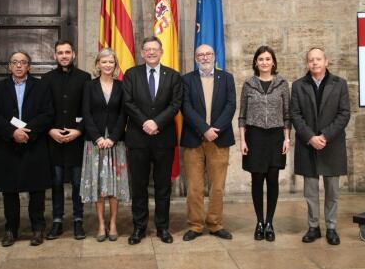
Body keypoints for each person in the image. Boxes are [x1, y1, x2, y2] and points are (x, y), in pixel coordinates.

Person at [0, 51, 53, 247]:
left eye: (22, 62)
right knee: (9, 191)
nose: (18, 66)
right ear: (9, 66)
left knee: (36, 190)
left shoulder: (41, 87)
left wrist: (27, 132)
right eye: (15, 62)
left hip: (34, 144)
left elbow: (48, 113)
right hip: (8, 145)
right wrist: (12, 132)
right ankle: (10, 230)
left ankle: (38, 229)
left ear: (28, 66)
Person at [122, 36, 182, 245]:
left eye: (155, 49)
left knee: (163, 186)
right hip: (138, 139)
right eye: (147, 49)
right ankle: (139, 227)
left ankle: (162, 227)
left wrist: (156, 123)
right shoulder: (131, 75)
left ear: (161, 51)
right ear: (141, 52)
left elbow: (175, 104)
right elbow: (127, 102)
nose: (151, 52)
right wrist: (145, 123)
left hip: (163, 139)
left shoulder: (173, 76)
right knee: (138, 186)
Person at [290, 47, 350, 246]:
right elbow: (295, 115)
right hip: (308, 145)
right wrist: (310, 137)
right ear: (307, 63)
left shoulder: (340, 84)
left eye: (318, 59)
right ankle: (313, 227)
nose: (314, 62)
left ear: (326, 61)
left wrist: (325, 136)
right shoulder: (298, 85)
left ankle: (331, 228)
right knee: (310, 191)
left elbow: (344, 114)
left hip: (331, 144)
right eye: (311, 60)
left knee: (332, 191)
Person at [180, 44, 236, 241]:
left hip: (219, 140)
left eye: (208, 54)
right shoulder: (187, 79)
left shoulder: (227, 78)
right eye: (200, 55)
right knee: (194, 187)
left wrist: (215, 130)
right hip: (194, 139)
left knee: (217, 186)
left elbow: (231, 106)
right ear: (196, 58)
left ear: (214, 56)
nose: (204, 57)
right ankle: (195, 225)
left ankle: (215, 224)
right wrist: (204, 129)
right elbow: (185, 107)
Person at [238, 45, 291, 242]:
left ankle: (270, 222)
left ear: (273, 62)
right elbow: (242, 115)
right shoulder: (248, 84)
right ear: (255, 62)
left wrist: (287, 138)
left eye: (268, 59)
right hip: (255, 136)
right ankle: (259, 222)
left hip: (276, 136)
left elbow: (287, 115)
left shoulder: (282, 84)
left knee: (272, 179)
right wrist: (243, 140)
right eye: (261, 59)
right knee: (257, 180)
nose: (264, 62)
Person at [42, 40, 91, 240]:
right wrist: (49, 129)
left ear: (74, 54)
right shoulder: (45, 79)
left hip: (77, 140)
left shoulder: (85, 78)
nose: (64, 56)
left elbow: (89, 110)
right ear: (55, 56)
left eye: (67, 52)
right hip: (54, 139)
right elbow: (42, 110)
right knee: (57, 182)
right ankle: (57, 221)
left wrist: (79, 131)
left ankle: (78, 220)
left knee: (78, 183)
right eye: (60, 52)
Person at [80, 48, 130, 241]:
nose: (108, 65)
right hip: (95, 143)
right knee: (99, 186)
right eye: (104, 62)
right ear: (98, 64)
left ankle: (113, 224)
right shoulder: (89, 86)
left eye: (111, 62)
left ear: (115, 65)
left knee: (114, 186)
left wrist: (113, 137)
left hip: (115, 144)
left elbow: (123, 114)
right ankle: (101, 225)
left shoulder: (121, 86)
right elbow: (86, 113)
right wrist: (98, 138)